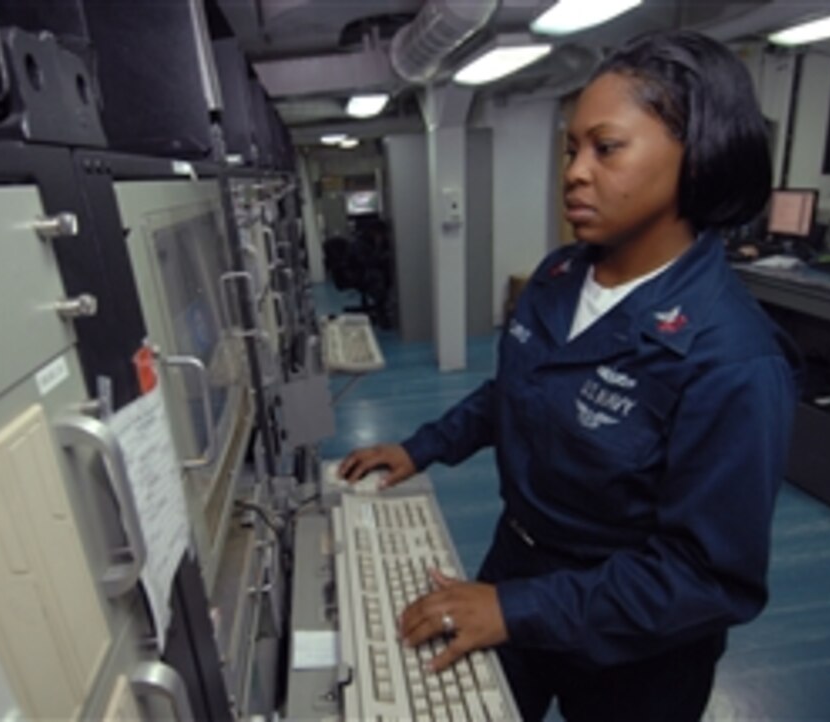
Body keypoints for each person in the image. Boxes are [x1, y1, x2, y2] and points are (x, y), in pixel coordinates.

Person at [337, 30, 801, 722]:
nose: (575, 173)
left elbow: (708, 578)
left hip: (635, 645)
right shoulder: (559, 276)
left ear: (695, 157)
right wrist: (421, 447)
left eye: (605, 148)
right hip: (518, 561)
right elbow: (517, 396)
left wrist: (516, 609)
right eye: (571, 149)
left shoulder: (731, 355)